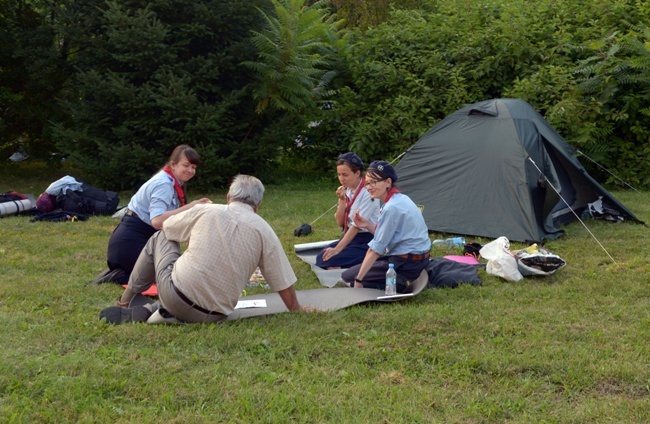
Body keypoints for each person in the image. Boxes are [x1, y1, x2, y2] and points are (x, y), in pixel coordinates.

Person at [99, 174, 316, 324]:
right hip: (215, 314)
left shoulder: (207, 210)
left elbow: (168, 228)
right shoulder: (265, 230)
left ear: (229, 197)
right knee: (190, 294)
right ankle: (150, 310)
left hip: (176, 296)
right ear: (257, 205)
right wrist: (295, 308)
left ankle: (125, 301)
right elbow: (282, 279)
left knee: (159, 237)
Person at [93, 145, 211, 285]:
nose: (191, 170)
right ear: (173, 165)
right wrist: (191, 207)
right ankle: (119, 275)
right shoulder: (164, 184)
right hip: (130, 243)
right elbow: (157, 220)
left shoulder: (170, 181)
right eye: (186, 165)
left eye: (194, 167)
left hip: (136, 239)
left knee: (174, 272)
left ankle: (124, 272)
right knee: (168, 277)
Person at [341, 161, 431, 292]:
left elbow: (376, 248)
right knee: (361, 269)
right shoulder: (402, 198)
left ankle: (400, 282)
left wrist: (358, 280)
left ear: (388, 182)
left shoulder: (390, 208)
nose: (369, 187)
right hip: (421, 260)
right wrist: (366, 224)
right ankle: (401, 279)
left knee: (348, 276)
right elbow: (386, 235)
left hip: (406, 263)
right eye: (367, 183)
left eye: (374, 182)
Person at [315, 152, 380, 269]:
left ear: (357, 173)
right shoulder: (347, 190)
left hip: (366, 238)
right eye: (339, 174)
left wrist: (337, 250)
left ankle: (369, 259)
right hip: (350, 236)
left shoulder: (368, 192)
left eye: (345, 174)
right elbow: (340, 222)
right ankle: (345, 263)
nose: (341, 178)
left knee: (331, 257)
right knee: (321, 257)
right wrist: (342, 200)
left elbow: (356, 226)